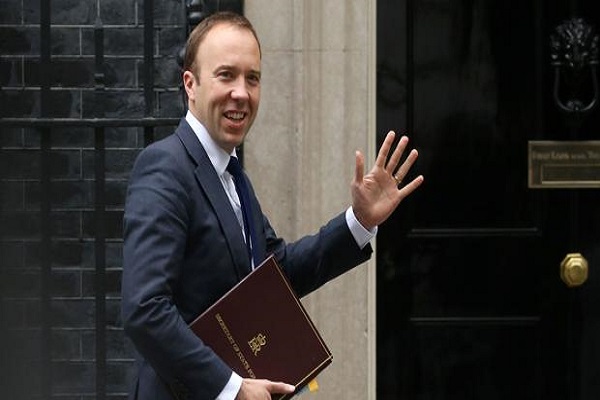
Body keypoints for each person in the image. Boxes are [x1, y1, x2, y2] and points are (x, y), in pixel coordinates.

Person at [121, 10, 424, 400]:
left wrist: (359, 221)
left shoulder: (232, 174)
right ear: (190, 85)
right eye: (226, 75)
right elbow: (144, 309)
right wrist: (232, 387)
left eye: (252, 78)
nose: (241, 93)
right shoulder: (165, 167)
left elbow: (275, 274)